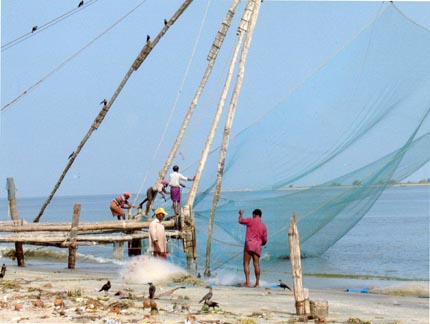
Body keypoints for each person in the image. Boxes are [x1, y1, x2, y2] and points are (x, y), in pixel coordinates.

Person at [238, 208, 267, 288]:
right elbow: (265, 241)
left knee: (246, 263)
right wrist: (260, 242)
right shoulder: (263, 226)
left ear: (254, 214)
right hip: (257, 246)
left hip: (249, 245)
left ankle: (247, 282)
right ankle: (257, 284)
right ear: (260, 216)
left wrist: (240, 214)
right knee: (256, 264)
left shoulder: (251, 220)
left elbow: (240, 220)